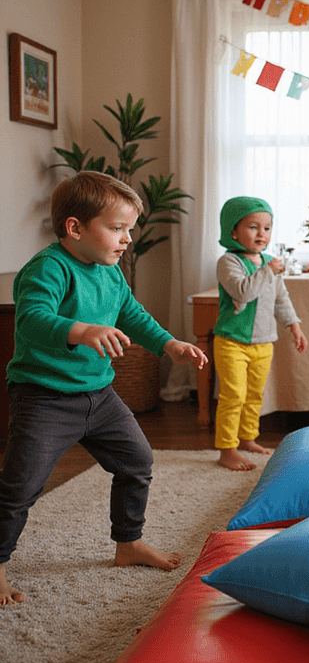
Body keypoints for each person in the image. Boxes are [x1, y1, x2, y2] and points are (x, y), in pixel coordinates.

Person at [1, 171, 208, 606]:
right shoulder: (48, 268)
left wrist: (169, 344)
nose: (127, 238)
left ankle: (128, 543)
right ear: (74, 228)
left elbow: (131, 313)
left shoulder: (110, 273)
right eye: (117, 228)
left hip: (99, 395)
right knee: (20, 486)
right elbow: (32, 319)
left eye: (129, 229)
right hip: (45, 397)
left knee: (137, 461)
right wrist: (82, 330)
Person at [213, 196, 307, 471]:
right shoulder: (228, 262)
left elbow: (281, 298)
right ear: (233, 231)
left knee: (255, 395)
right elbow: (244, 291)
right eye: (253, 227)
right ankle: (226, 448)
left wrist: (294, 326)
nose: (261, 234)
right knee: (233, 396)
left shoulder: (269, 263)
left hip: (264, 342)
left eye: (266, 228)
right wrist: (267, 270)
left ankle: (247, 438)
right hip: (232, 341)